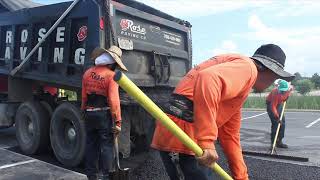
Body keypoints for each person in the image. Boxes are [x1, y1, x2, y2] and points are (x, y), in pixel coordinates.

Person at [151, 44, 294, 180]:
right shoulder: (248, 67)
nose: (272, 83)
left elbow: (230, 136)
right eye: (274, 77)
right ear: (265, 68)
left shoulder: (238, 89)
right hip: (181, 135)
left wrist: (241, 176)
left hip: (190, 136)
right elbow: (208, 78)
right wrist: (207, 141)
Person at [81, 46, 128, 180]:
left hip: (89, 114)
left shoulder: (87, 73)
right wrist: (118, 121)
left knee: (91, 145)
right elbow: (114, 100)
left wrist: (83, 110)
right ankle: (105, 175)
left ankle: (91, 175)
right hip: (103, 116)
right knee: (106, 146)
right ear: (112, 63)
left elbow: (84, 97)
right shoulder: (111, 76)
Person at [266, 79, 293, 148]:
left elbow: (290, 91)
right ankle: (273, 144)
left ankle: (279, 142)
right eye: (282, 90)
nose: (283, 91)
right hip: (271, 105)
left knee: (282, 124)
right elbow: (273, 107)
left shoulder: (289, 89)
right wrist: (277, 117)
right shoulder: (275, 93)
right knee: (276, 124)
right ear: (279, 88)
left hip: (280, 104)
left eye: (284, 90)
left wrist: (286, 98)